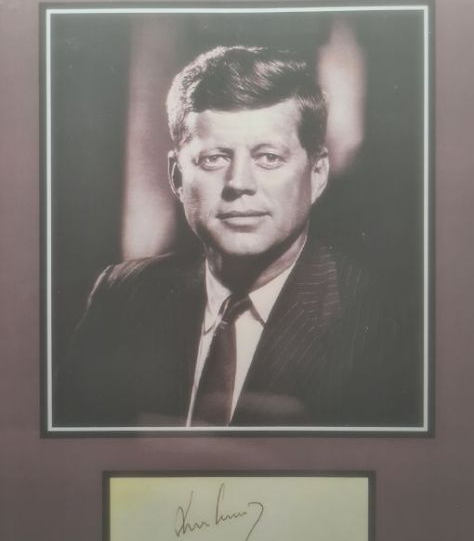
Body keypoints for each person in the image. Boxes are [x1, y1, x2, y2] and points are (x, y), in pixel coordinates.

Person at [55, 45, 418, 428]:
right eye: (214, 158)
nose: (239, 183)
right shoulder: (122, 294)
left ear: (317, 174)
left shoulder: (383, 319)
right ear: (176, 177)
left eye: (268, 157)